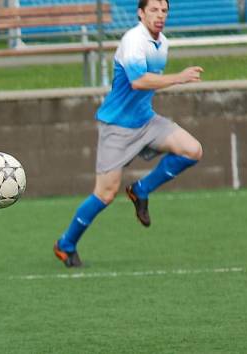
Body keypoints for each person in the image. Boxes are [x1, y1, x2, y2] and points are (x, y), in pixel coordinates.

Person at [53, 0, 204, 267]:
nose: (160, 16)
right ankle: (66, 245)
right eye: (154, 10)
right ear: (140, 13)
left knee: (193, 150)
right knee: (105, 194)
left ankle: (140, 190)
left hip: (146, 122)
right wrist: (178, 78)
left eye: (164, 11)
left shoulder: (162, 43)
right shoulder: (134, 39)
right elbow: (138, 81)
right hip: (117, 128)